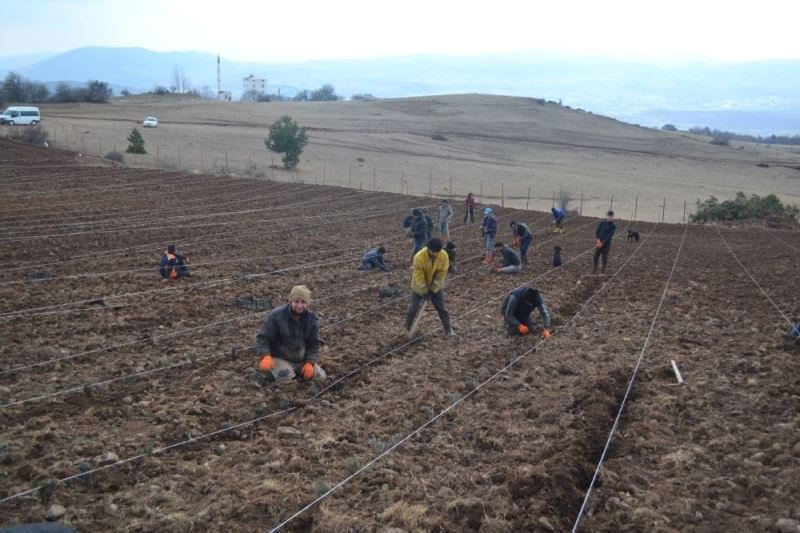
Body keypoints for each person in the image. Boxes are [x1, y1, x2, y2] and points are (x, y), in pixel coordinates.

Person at [256, 285, 325, 383]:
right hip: (280, 357)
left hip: (301, 359)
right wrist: (265, 355)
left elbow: (314, 344)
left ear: (308, 303)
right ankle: (273, 372)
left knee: (319, 377)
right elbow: (263, 338)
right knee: (285, 377)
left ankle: (296, 371)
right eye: (296, 301)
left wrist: (310, 362)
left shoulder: (312, 320)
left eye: (303, 302)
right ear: (290, 301)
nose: (299, 306)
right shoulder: (276, 316)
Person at [404, 238, 455, 338]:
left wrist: (432, 290)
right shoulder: (419, 257)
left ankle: (448, 330)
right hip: (419, 286)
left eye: (437, 252)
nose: (435, 254)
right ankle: (407, 328)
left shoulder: (444, 256)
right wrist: (424, 291)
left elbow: (441, 274)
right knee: (413, 309)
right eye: (433, 252)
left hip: (435, 287)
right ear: (428, 249)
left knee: (442, 309)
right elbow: (418, 276)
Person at [593, 210, 617, 274]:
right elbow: (597, 231)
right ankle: (594, 270)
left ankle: (602, 272)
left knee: (604, 257)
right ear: (607, 215)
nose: (610, 217)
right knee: (595, 256)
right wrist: (598, 239)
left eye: (611, 216)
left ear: (613, 217)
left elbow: (609, 236)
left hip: (606, 244)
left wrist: (602, 242)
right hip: (599, 242)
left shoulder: (613, 226)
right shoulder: (602, 223)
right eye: (609, 215)